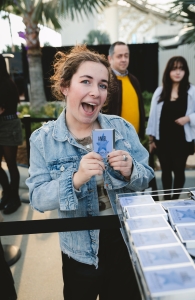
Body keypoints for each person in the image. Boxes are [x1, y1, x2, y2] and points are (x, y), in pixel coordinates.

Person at [26, 45, 154, 300]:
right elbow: (38, 198)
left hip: (123, 241)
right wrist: (75, 179)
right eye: (86, 81)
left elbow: (147, 175)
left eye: (103, 85)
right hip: (78, 249)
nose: (96, 92)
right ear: (65, 86)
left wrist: (131, 171)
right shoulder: (43, 140)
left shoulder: (122, 128)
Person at [146, 56, 195, 200]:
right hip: (163, 139)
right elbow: (152, 118)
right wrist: (151, 140)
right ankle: (167, 199)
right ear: (168, 71)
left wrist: (188, 118)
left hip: (182, 140)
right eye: (174, 69)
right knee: (165, 171)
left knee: (179, 170)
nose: (178, 72)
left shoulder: (192, 91)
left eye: (181, 69)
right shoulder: (160, 92)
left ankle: (175, 199)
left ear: (185, 71)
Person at [103, 41, 145, 139]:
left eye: (126, 56)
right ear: (110, 58)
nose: (124, 59)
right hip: (114, 140)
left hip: (134, 138)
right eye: (119, 56)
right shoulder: (106, 81)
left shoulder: (134, 80)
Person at [0, 54, 22, 214]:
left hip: (8, 125)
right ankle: (7, 193)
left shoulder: (7, 84)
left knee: (11, 164)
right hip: (4, 124)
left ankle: (14, 198)